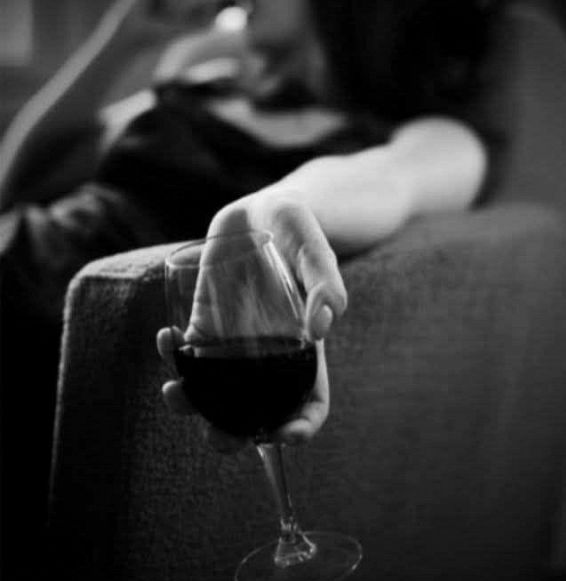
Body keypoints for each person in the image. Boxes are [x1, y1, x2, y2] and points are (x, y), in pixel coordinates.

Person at [1, 0, 501, 452]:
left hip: (42, 308)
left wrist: (275, 209)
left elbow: (393, 178)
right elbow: (22, 180)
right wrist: (123, 40)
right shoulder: (210, 84)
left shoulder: (427, 135)